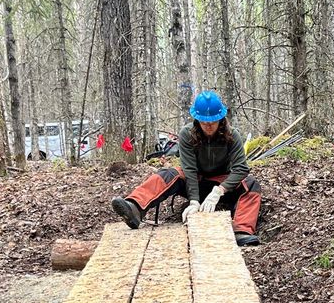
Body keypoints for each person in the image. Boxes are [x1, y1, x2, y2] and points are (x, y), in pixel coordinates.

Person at [110, 91, 261, 246]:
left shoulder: (232, 135)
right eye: (204, 122)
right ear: (197, 120)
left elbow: (241, 168)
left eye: (213, 122)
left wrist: (219, 191)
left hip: (221, 182)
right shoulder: (187, 134)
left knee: (251, 184)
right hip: (195, 179)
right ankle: (135, 207)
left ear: (221, 119)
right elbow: (189, 169)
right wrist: (194, 201)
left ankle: (242, 230)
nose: (208, 126)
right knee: (167, 174)